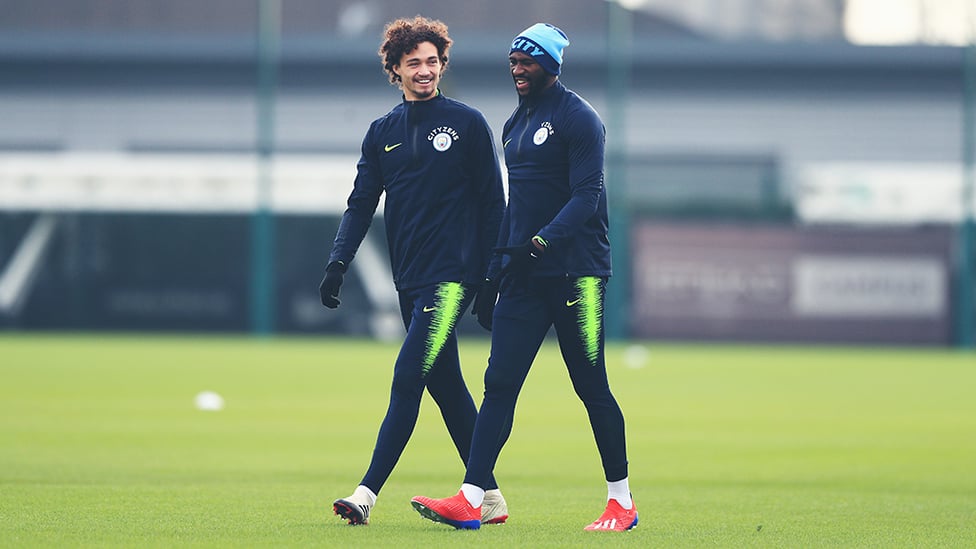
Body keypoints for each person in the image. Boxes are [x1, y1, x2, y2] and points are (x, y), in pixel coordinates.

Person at [409, 23, 638, 532]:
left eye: (527, 61)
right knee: (499, 383)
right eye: (513, 60)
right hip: (525, 277)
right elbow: (515, 207)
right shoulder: (513, 124)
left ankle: (621, 502)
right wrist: (494, 273)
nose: (517, 68)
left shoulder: (581, 119)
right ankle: (473, 497)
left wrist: (541, 241)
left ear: (551, 65)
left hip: (577, 275)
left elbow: (586, 196)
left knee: (590, 386)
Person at [319, 15, 508, 526]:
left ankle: (365, 493)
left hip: (453, 278)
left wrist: (491, 278)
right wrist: (339, 262)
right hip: (410, 279)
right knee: (446, 387)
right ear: (395, 70)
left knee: (407, 377)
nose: (424, 71)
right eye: (413, 64)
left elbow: (495, 205)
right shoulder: (382, 132)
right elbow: (360, 204)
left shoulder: (467, 124)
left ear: (442, 64)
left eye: (432, 61)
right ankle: (489, 497)